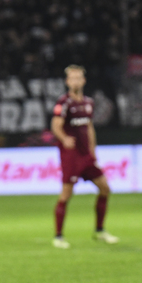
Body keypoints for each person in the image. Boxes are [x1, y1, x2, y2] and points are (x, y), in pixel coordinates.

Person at [51, 65, 118, 249]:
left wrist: (93, 150)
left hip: (86, 155)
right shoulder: (63, 103)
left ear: (83, 81)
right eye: (72, 78)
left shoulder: (88, 102)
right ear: (67, 82)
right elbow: (55, 125)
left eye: (78, 78)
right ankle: (58, 236)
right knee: (66, 194)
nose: (75, 81)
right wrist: (64, 138)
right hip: (71, 156)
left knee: (104, 188)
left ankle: (99, 230)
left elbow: (88, 127)